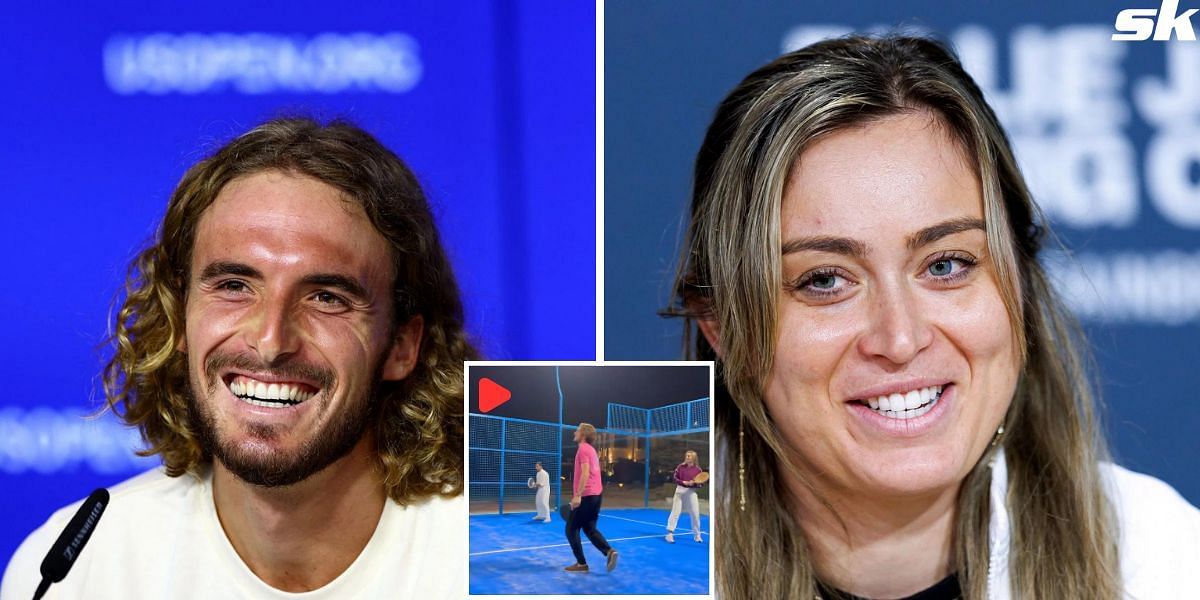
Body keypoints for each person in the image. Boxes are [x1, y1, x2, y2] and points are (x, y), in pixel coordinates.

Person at [666, 35, 1200, 599]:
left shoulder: (1159, 560)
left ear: (1018, 282)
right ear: (721, 324)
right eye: (824, 279)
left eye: (946, 264)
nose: (900, 338)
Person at [0, 117, 478, 599]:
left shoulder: (525, 541)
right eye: (233, 286)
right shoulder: (75, 568)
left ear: (401, 346)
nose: (270, 341)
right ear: (179, 318)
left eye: (327, 297)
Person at [563, 423, 618, 573]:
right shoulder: (592, 450)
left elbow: (586, 473)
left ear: (583, 434)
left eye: (578, 430)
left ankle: (581, 564)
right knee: (589, 528)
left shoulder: (582, 449)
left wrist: (578, 495)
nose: (575, 432)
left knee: (571, 528)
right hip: (596, 495)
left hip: (586, 495)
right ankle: (609, 551)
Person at [665, 450, 705, 543]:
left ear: (694, 458)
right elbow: (675, 478)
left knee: (695, 514)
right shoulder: (680, 467)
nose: (687, 457)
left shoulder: (698, 470)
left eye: (689, 456)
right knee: (675, 512)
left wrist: (694, 484)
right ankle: (669, 535)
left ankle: (697, 535)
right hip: (679, 491)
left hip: (691, 493)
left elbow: (701, 484)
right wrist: (683, 482)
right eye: (686, 456)